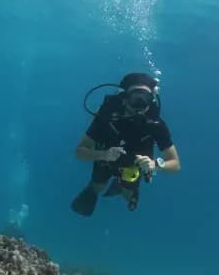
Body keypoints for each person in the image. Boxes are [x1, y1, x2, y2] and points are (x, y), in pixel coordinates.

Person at [71, 72, 181, 216]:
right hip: (106, 159)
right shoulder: (107, 117)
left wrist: (155, 165)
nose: (140, 105)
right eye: (136, 98)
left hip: (136, 164)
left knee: (129, 194)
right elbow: (80, 151)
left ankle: (121, 187)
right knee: (98, 185)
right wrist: (103, 155)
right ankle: (97, 189)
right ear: (124, 98)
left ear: (152, 99)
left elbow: (175, 164)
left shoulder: (155, 124)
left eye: (146, 99)